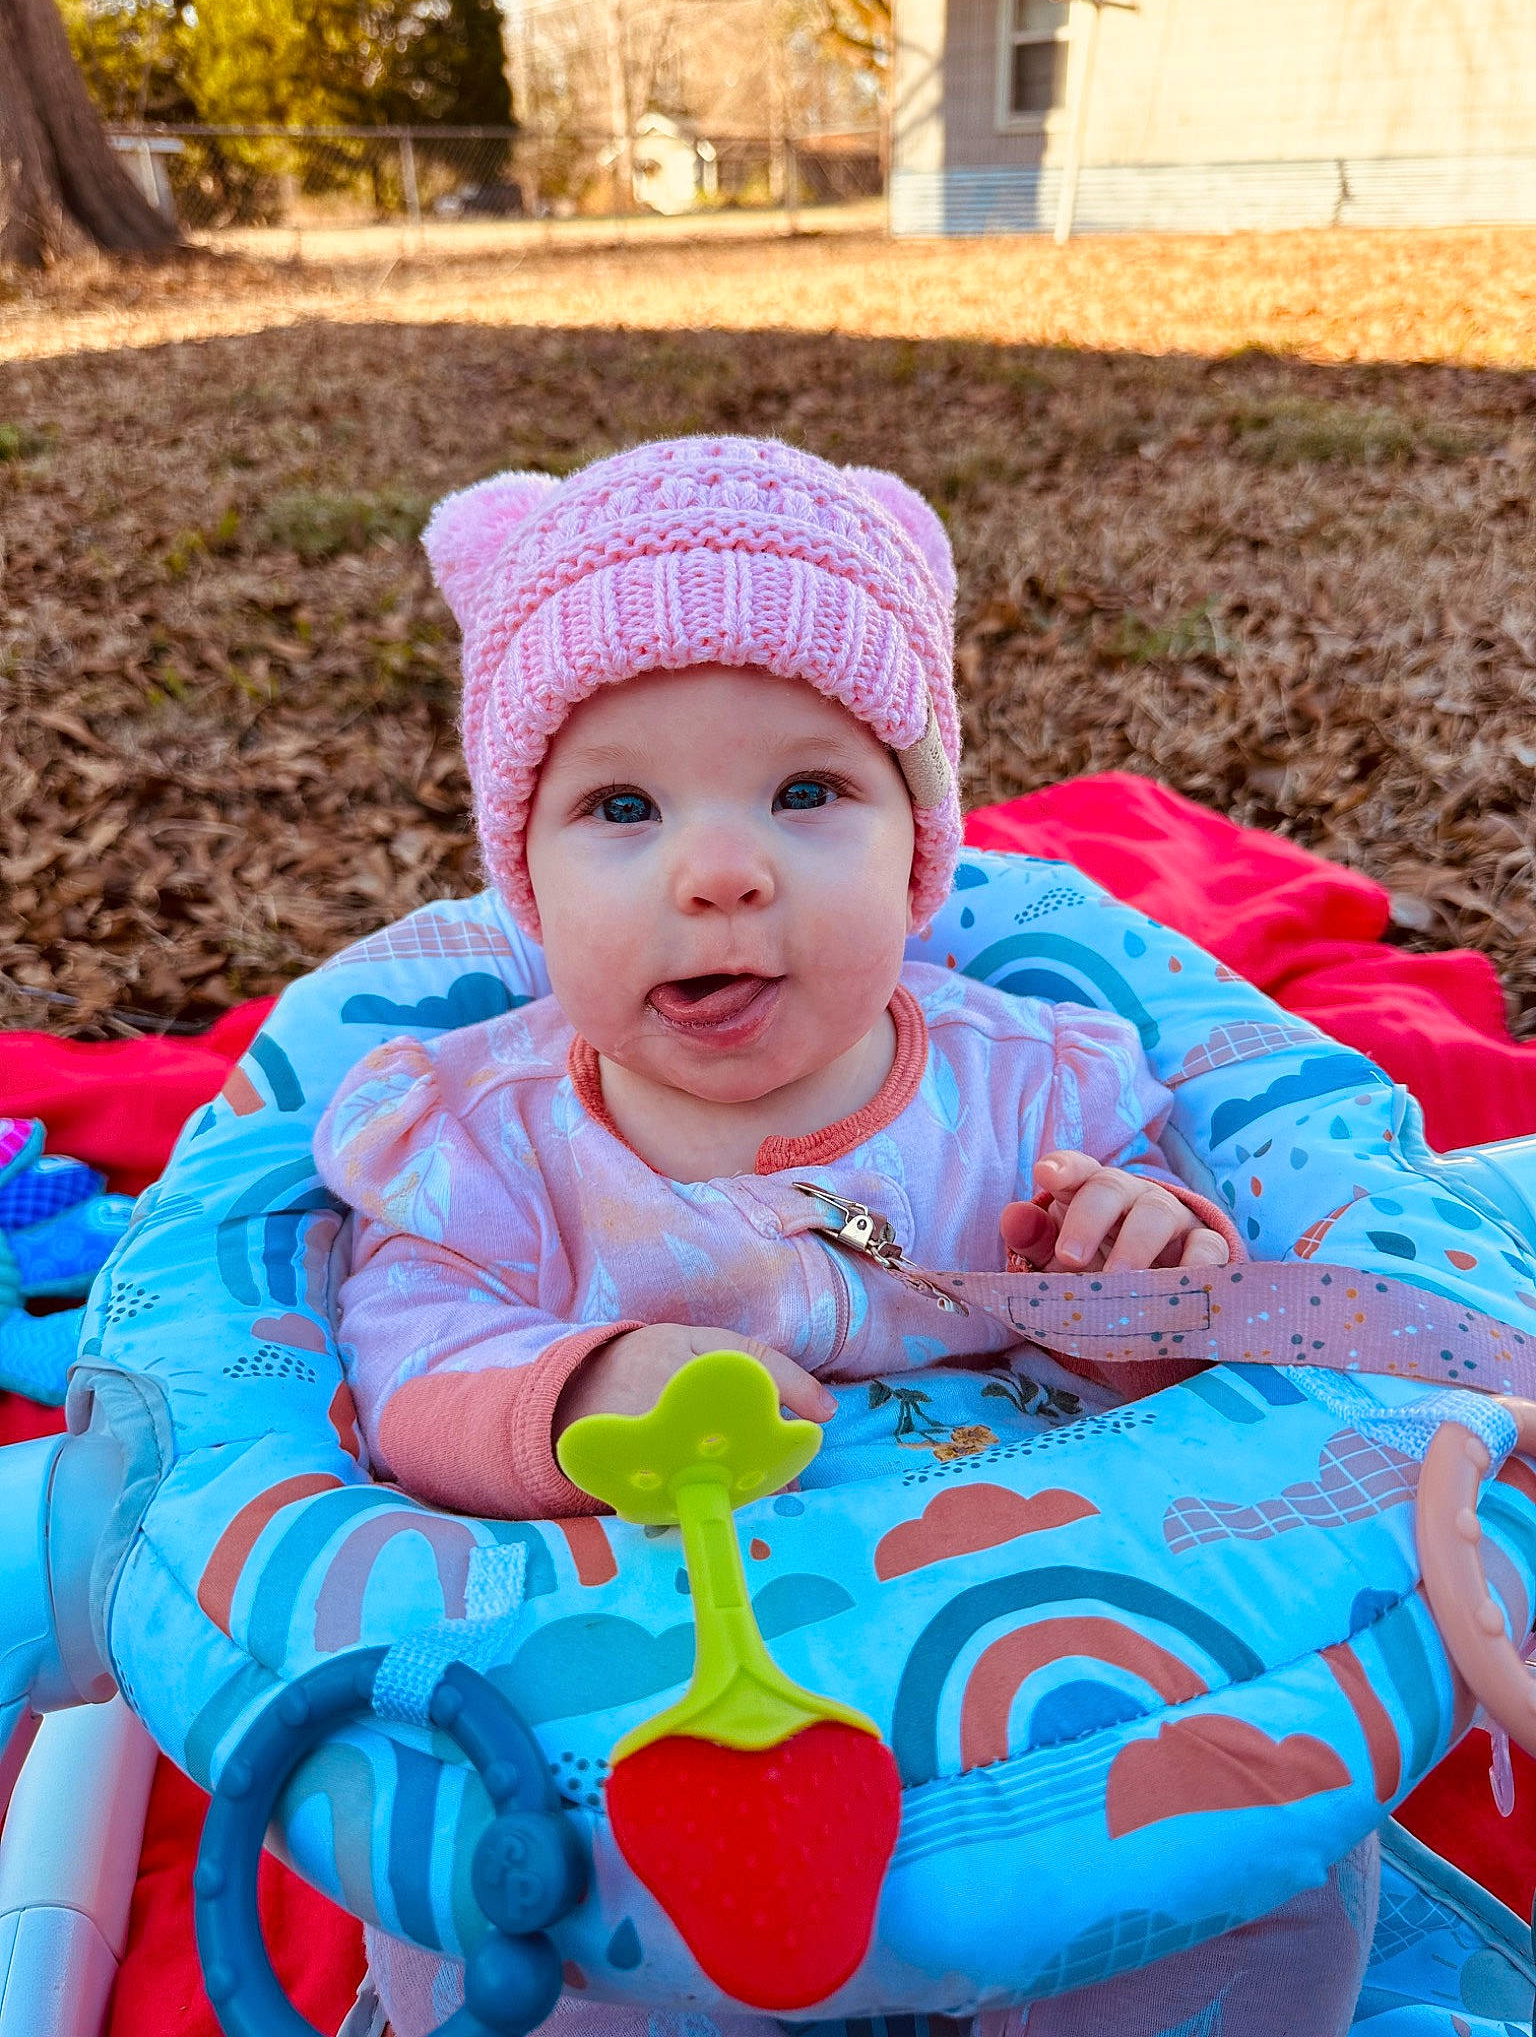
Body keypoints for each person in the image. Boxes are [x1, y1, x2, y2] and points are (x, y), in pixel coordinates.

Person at [315, 436, 1378, 2037]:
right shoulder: (486, 1137)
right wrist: (578, 1393)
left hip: (1040, 1685)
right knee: (497, 1907)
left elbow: (1177, 1348)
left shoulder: (1038, 1080)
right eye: (621, 806)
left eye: (808, 793)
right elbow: (407, 1359)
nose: (725, 871)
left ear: (920, 844)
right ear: (521, 878)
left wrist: (1142, 1278)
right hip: (673, 1707)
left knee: (1277, 1854)